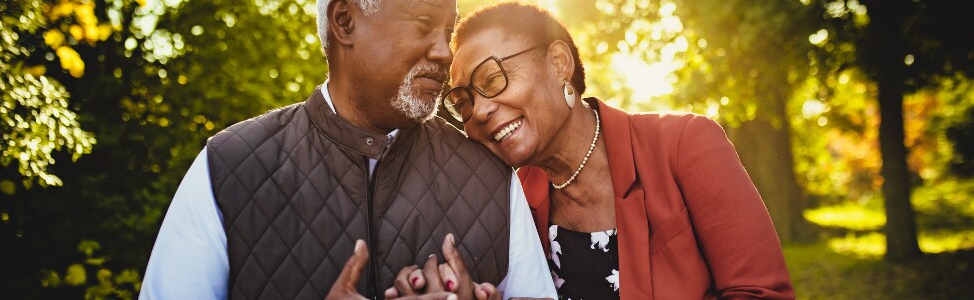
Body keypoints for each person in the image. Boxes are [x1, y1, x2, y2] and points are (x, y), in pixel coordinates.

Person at [138, 0, 556, 299]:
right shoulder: (228, 165)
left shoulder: (491, 178)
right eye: (423, 23)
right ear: (345, 21)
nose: (444, 52)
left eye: (447, 32)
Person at [419, 2, 795, 299]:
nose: (479, 111)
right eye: (463, 102)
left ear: (558, 64)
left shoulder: (686, 144)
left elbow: (760, 292)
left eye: (491, 79)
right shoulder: (513, 206)